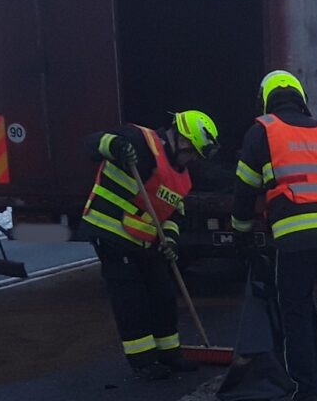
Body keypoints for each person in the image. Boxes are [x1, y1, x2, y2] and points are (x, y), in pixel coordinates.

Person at [231, 70, 317, 401]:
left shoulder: (263, 130)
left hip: (295, 234)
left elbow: (245, 188)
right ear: (301, 97)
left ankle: (307, 394)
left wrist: (241, 232)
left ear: (265, 99)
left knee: (297, 311)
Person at [80, 110, 219, 380]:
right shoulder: (138, 139)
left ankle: (170, 353)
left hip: (146, 239)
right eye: (192, 152)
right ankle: (143, 361)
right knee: (131, 299)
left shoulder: (182, 178)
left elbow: (174, 214)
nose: (192, 159)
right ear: (181, 139)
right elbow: (91, 143)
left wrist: (171, 241)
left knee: (163, 293)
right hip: (112, 231)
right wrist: (116, 146)